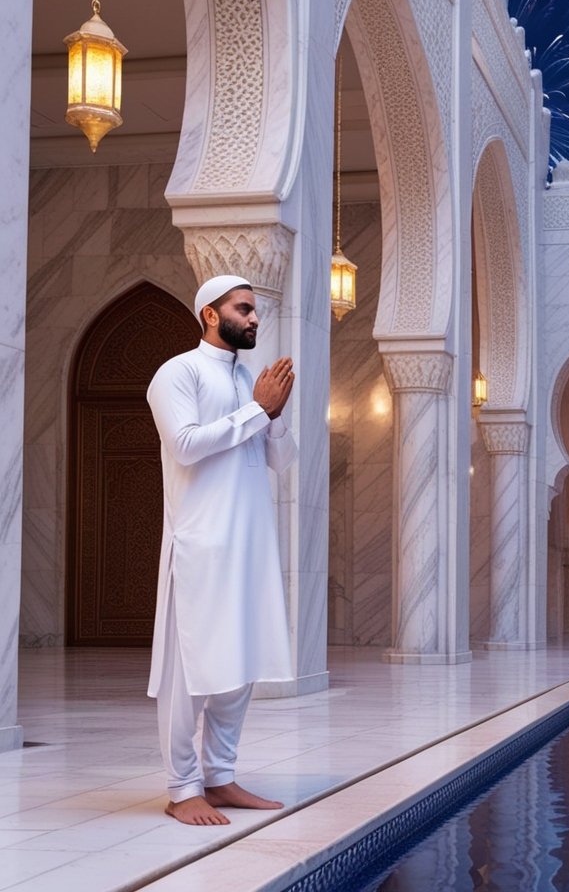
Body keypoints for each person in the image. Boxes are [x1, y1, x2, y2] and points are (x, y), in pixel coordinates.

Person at [146, 274, 297, 826]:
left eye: (255, 310)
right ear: (211, 314)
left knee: (241, 664)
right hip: (201, 544)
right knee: (188, 673)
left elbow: (280, 462)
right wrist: (258, 410)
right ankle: (182, 787)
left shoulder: (249, 382)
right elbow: (184, 445)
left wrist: (273, 416)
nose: (255, 318)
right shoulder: (177, 373)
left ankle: (221, 777)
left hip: (250, 543)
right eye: (245, 309)